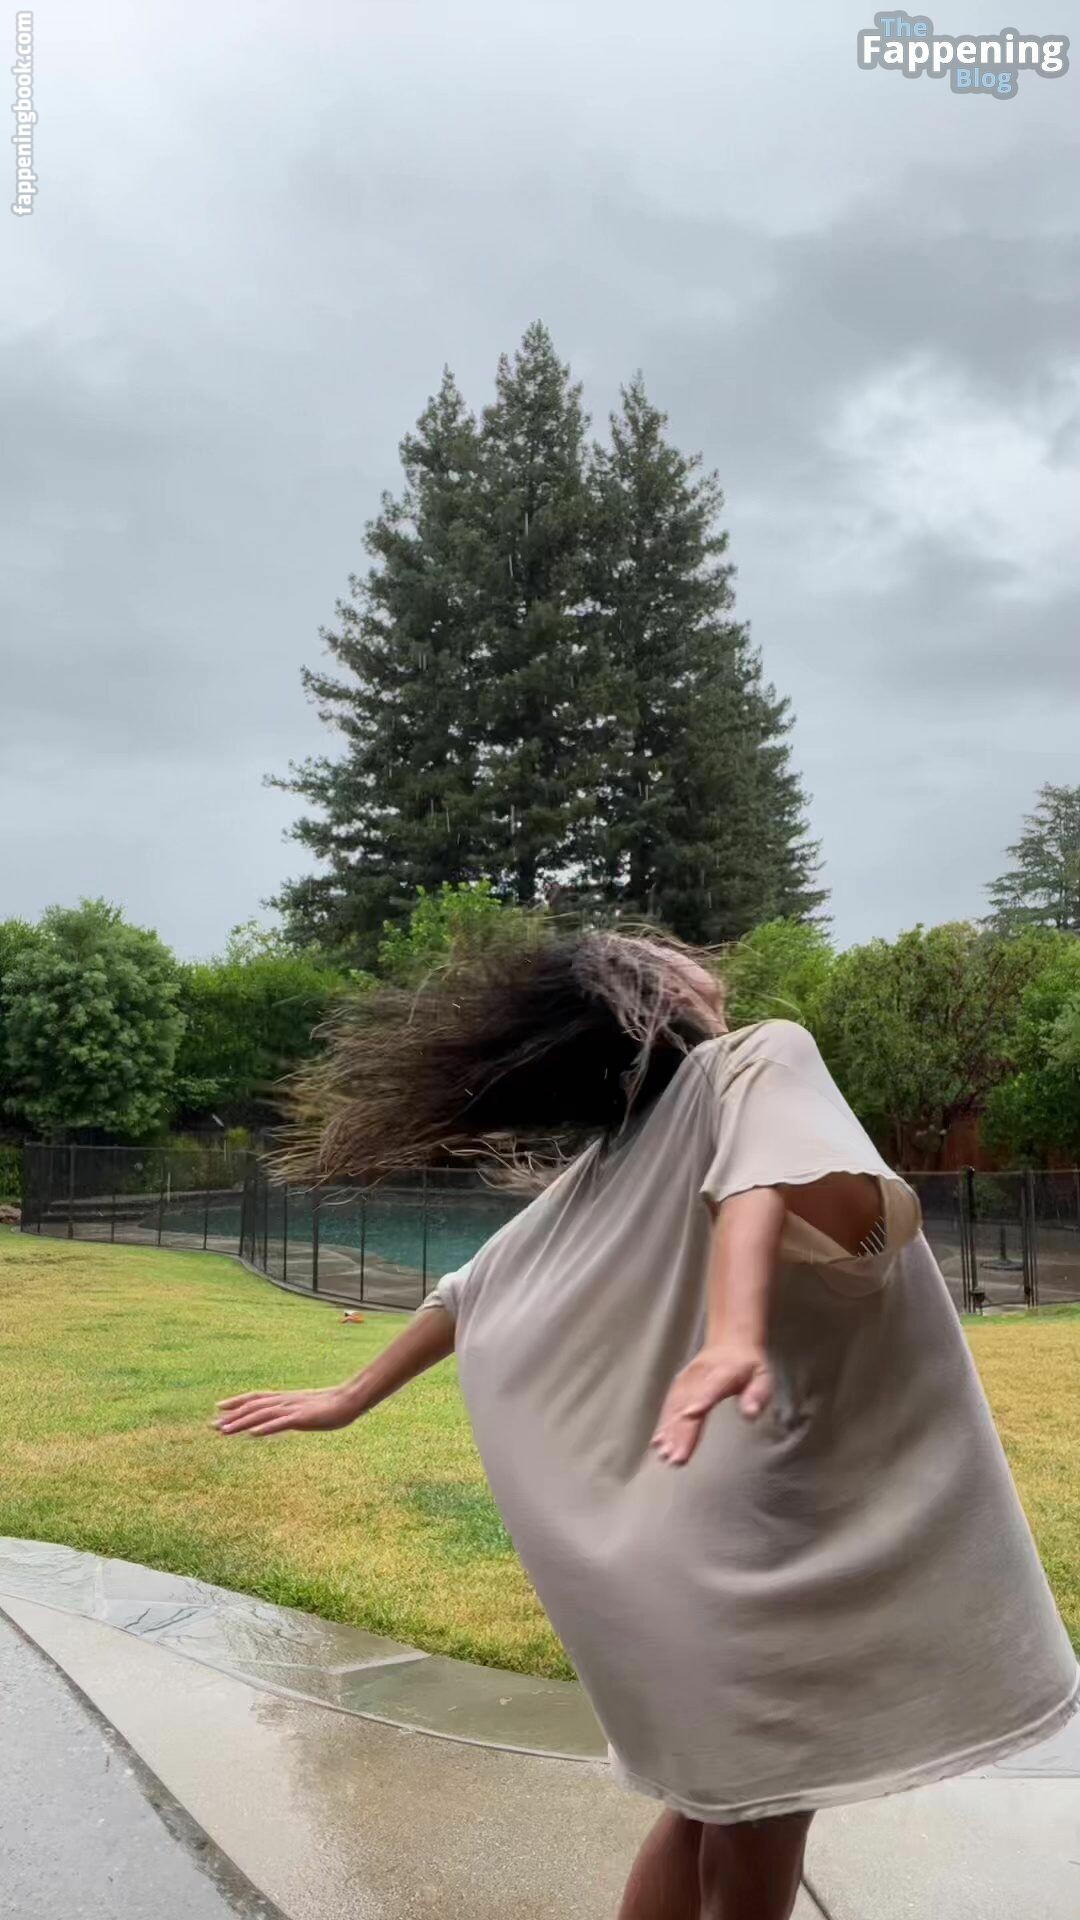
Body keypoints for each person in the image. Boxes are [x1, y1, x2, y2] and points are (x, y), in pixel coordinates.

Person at [215, 931, 1078, 1920]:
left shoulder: (619, 1155)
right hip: (757, 1546)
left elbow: (468, 1290)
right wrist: (736, 1330)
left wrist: (351, 1395)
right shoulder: (755, 1058)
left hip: (671, 1549)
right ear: (652, 1001)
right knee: (759, 1818)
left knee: (707, 1808)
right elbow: (751, 1182)